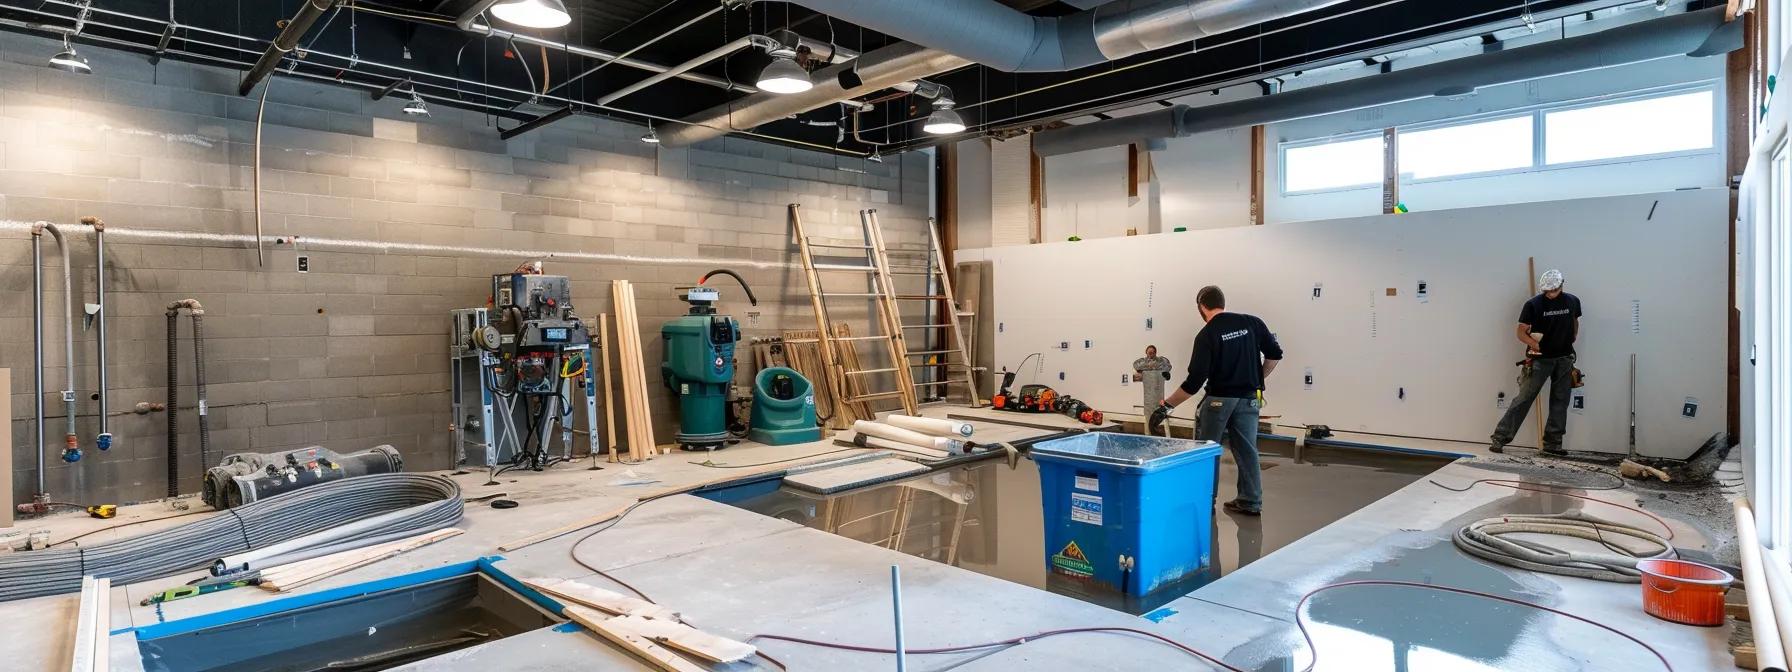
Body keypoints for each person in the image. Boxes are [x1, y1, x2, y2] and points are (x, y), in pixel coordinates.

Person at [1149, 286, 1283, 516]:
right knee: (1248, 451)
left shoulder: (1207, 334)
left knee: (1207, 452)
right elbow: (1275, 355)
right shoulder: (1252, 323)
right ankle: (1251, 501)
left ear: (1201, 306)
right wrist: (1258, 379)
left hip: (1219, 401)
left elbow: (1194, 382)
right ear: (1223, 302)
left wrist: (1166, 406)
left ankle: (1205, 502)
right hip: (1249, 399)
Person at [1489, 269, 1581, 456]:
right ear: (1543, 290)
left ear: (1562, 285)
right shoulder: (1533, 305)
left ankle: (1553, 444)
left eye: (1554, 290)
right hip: (1539, 360)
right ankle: (1500, 438)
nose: (1551, 294)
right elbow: (1520, 332)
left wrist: (1572, 337)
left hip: (1564, 359)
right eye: (1547, 291)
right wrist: (1534, 344)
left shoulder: (1572, 301)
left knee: (1560, 401)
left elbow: (1574, 321)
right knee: (1524, 399)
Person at [1132, 345, 1174, 413]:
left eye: (1153, 352)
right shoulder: (1141, 362)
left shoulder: (1161, 361)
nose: (1151, 354)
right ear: (1146, 353)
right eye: (1149, 352)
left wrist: (1158, 369)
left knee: (1158, 405)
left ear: (1155, 353)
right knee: (1149, 406)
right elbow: (1136, 366)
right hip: (1148, 390)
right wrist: (1148, 366)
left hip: (1158, 388)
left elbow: (1168, 367)